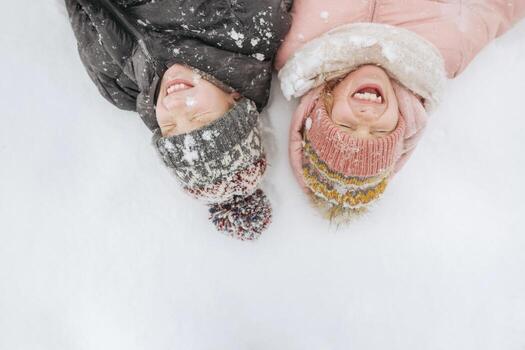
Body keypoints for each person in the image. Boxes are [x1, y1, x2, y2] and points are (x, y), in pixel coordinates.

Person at [275, 0, 525, 222]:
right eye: (380, 130)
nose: (366, 118)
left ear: (322, 108)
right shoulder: (446, 51)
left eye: (346, 126)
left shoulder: (297, 45)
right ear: (402, 121)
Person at [65, 0, 292, 240]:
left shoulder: (120, 88)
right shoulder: (248, 23)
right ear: (235, 100)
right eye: (198, 116)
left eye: (169, 126)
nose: (173, 105)